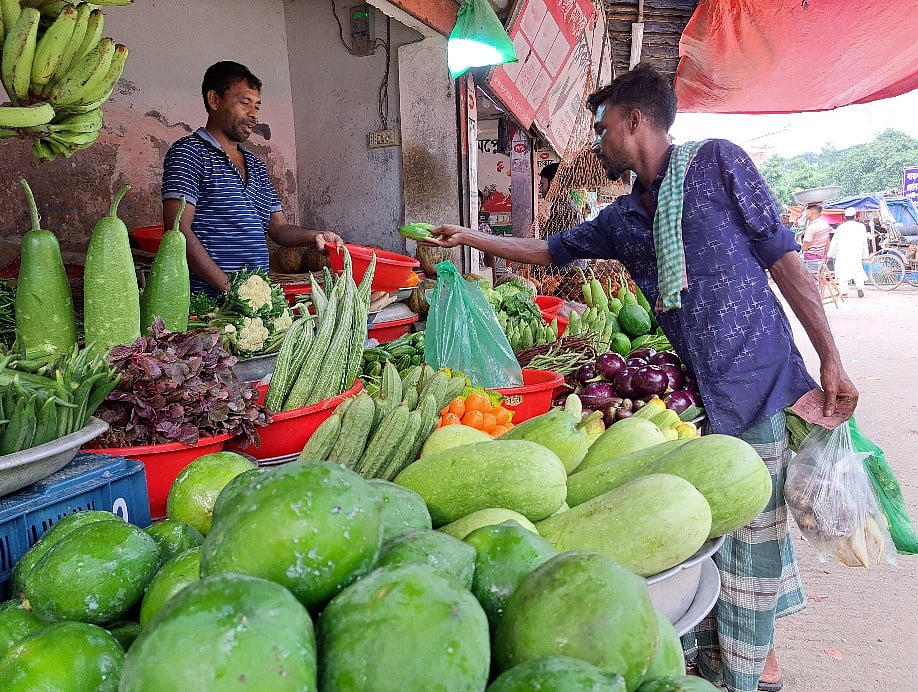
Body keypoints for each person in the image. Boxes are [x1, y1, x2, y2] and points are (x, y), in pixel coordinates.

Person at [423, 63, 858, 692]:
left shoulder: (718, 164)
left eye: (601, 128)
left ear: (634, 121)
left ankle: (750, 674)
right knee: (707, 532)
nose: (596, 142)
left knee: (753, 541)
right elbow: (550, 252)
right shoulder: (627, 218)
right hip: (696, 398)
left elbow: (783, 258)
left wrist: (831, 357)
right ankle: (718, 660)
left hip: (759, 383)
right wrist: (471, 238)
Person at [161, 61, 343, 295]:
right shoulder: (188, 153)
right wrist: (231, 291)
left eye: (257, 106)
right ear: (214, 100)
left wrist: (315, 236)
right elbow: (178, 231)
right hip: (206, 302)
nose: (253, 115)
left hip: (253, 302)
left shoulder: (255, 165)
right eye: (244, 103)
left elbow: (278, 228)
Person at [828, 207, 869, 298]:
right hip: (856, 253)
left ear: (845, 217)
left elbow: (834, 242)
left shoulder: (840, 227)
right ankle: (859, 287)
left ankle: (844, 292)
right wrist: (865, 255)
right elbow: (864, 242)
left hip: (843, 253)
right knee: (857, 270)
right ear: (855, 216)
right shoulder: (861, 227)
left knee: (842, 273)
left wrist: (829, 254)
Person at [799, 204, 832, 275]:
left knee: (811, 282)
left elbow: (805, 247)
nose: (806, 213)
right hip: (820, 259)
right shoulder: (825, 224)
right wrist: (825, 257)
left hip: (811, 260)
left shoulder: (812, 227)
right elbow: (827, 243)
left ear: (812, 211)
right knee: (816, 280)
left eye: (807, 211)